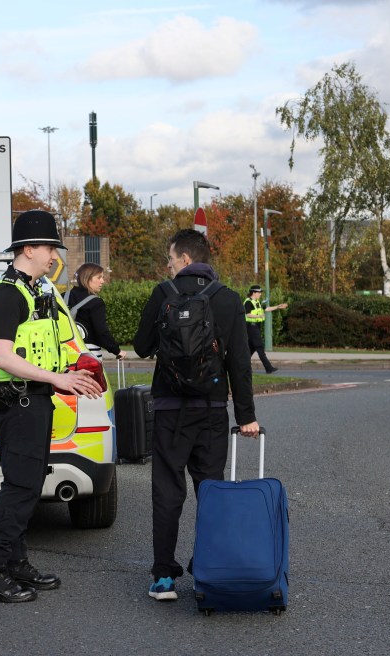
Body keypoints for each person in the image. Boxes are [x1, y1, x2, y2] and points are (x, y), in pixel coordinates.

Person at [0, 210, 103, 603]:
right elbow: (2, 356)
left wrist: (73, 371)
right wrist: (58, 380)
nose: (53, 256)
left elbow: (43, 350)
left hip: (35, 400)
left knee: (27, 486)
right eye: (49, 248)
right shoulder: (7, 293)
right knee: (20, 488)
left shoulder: (36, 291)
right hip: (19, 402)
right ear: (28, 249)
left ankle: (16, 562)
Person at [133, 228, 260, 602]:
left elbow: (141, 347)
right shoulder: (227, 298)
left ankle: (163, 578)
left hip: (170, 411)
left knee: (167, 490)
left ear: (185, 259)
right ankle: (211, 569)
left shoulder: (163, 294)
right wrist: (246, 416)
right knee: (212, 491)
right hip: (211, 413)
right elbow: (240, 362)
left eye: (170, 258)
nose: (168, 265)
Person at [65, 262, 126, 360]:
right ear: (87, 278)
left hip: (63, 353)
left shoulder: (62, 296)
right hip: (88, 355)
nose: (102, 281)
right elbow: (101, 332)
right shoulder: (95, 302)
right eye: (99, 277)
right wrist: (117, 350)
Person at [244, 285, 287, 374]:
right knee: (259, 347)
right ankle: (268, 368)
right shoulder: (248, 302)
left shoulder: (257, 302)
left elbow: (266, 309)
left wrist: (278, 306)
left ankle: (242, 367)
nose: (260, 294)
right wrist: (259, 316)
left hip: (256, 327)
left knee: (250, 349)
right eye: (259, 292)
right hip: (251, 327)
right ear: (254, 293)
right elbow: (247, 314)